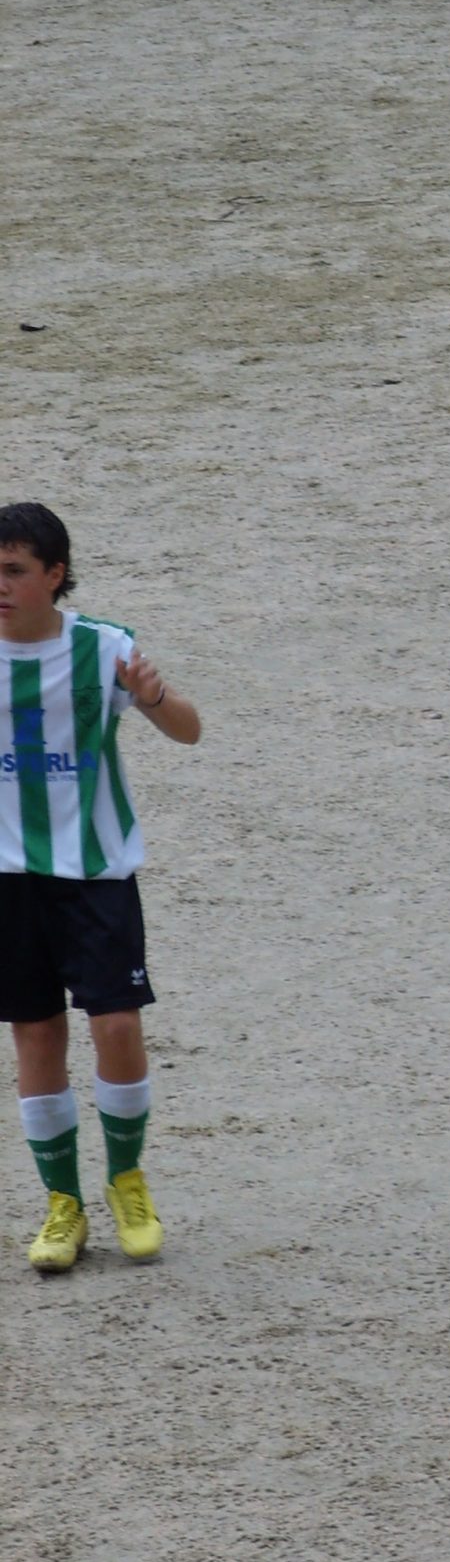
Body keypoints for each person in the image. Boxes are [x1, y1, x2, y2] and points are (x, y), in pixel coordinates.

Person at [1, 503, 201, 1272]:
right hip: (8, 878)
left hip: (94, 873)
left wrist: (151, 696)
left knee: (116, 1025)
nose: (0, 586)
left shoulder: (103, 647)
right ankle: (63, 1204)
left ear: (55, 575)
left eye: (14, 571)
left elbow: (188, 730)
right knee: (36, 1034)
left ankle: (126, 1179)